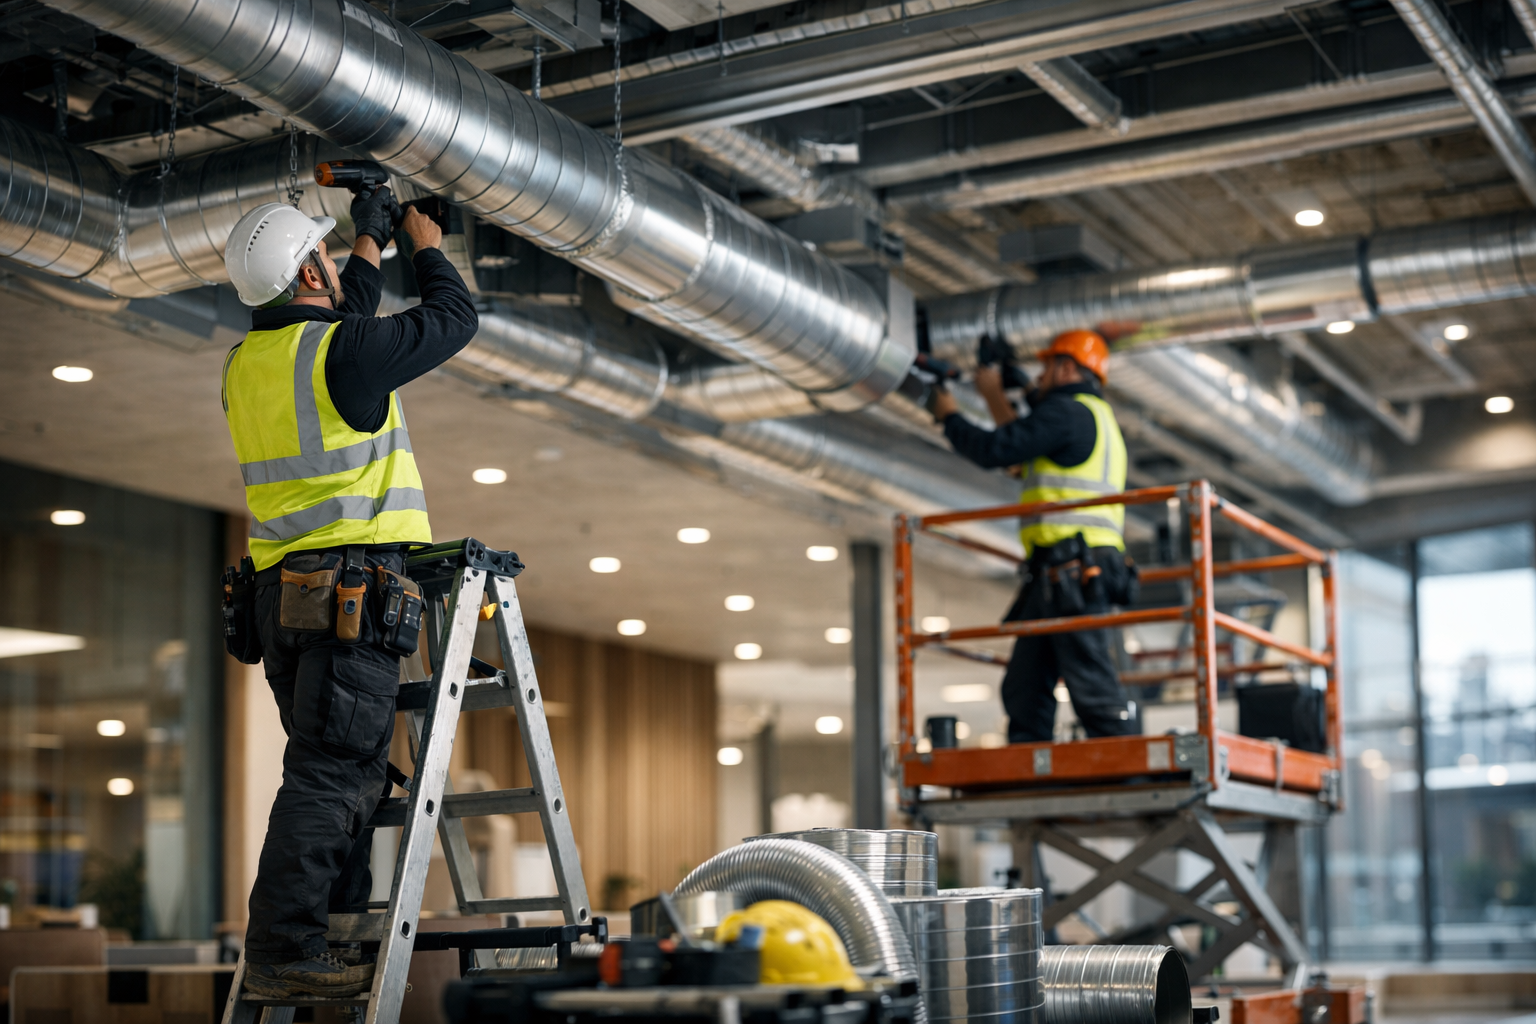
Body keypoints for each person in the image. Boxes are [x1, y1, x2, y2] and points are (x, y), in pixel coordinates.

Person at [220, 188, 478, 998]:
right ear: (308, 269)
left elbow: (341, 322)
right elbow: (453, 317)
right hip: (344, 601)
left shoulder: (251, 363)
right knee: (335, 775)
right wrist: (423, 244)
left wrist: (369, 238)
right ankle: (286, 946)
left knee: (333, 768)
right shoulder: (340, 356)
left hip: (284, 601)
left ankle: (321, 936)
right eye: (324, 259)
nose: (336, 271)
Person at [929, 329, 1137, 745]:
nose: (1038, 379)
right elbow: (1022, 455)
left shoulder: (1067, 414)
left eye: (1045, 369)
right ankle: (1032, 774)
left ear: (1066, 368)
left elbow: (996, 450)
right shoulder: (1091, 417)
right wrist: (999, 390)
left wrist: (947, 413)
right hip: (1064, 573)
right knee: (1025, 689)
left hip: (1072, 570)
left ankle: (1128, 777)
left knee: (1089, 686)